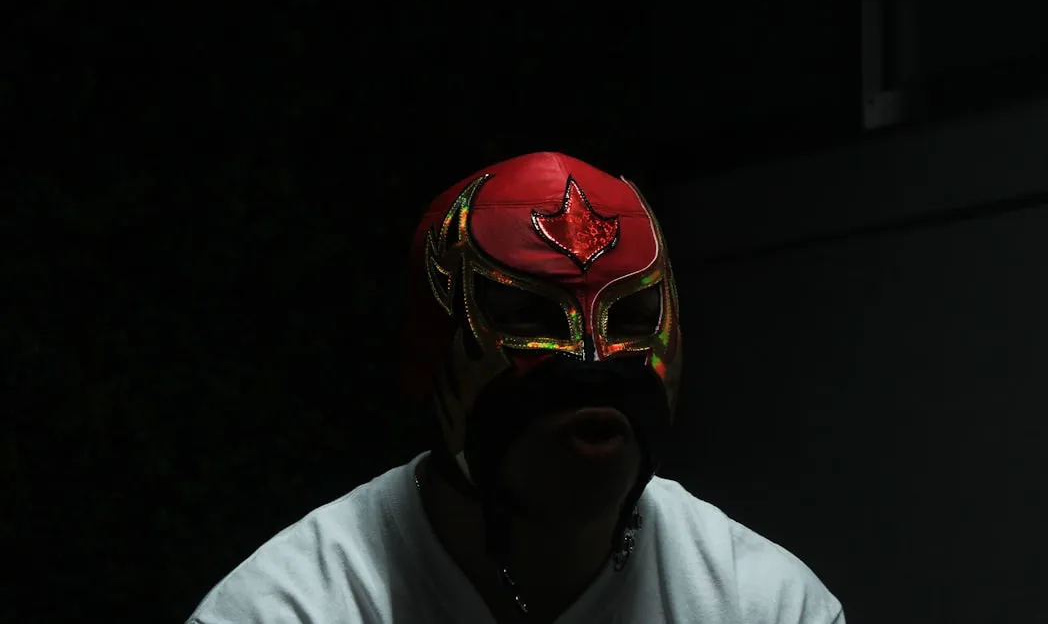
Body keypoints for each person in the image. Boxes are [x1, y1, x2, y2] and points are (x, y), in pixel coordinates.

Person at [186, 152, 846, 623]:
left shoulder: (766, 604)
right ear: (432, 350)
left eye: (630, 318)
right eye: (528, 318)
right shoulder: (290, 608)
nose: (591, 364)